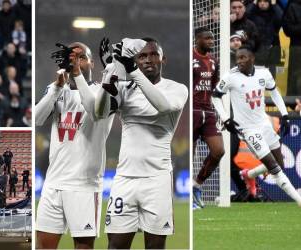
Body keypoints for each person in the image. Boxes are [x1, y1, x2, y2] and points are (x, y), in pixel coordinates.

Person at [95, 38, 188, 249]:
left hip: (157, 179)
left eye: (153, 54)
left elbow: (163, 106)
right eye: (142, 56)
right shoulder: (125, 89)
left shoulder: (177, 89)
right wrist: (110, 74)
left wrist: (132, 71)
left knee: (154, 246)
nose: (148, 59)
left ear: (163, 59)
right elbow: (99, 113)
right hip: (124, 178)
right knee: (116, 246)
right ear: (136, 60)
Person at [35, 42, 114, 249]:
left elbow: (95, 111)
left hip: (84, 186)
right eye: (72, 58)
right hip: (53, 183)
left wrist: (77, 76)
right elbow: (36, 118)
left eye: (81, 57)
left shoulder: (105, 91)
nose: (76, 61)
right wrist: (56, 88)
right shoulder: (57, 90)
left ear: (92, 63)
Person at [211, 45, 301, 207]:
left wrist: (285, 115)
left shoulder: (264, 74)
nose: (239, 61)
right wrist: (225, 119)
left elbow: (274, 92)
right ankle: (299, 200)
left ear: (252, 58)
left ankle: (249, 174)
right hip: (248, 129)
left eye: (243, 58)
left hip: (264, 124)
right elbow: (215, 96)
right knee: (274, 167)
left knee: (279, 164)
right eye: (238, 58)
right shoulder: (231, 76)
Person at [192, 27, 225, 209]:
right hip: (193, 111)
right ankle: (188, 197)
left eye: (213, 39)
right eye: (207, 38)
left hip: (209, 112)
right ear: (197, 40)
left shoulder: (214, 61)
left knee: (218, 151)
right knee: (192, 153)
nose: (211, 41)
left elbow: (213, 86)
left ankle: (196, 185)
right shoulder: (191, 58)